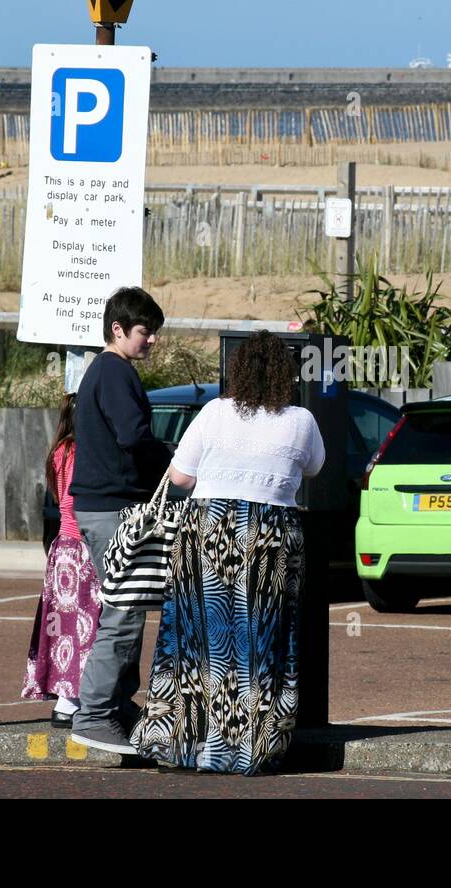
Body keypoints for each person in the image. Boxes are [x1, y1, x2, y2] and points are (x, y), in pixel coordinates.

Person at [132, 331, 325, 774]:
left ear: (237, 371)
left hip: (209, 529)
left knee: (197, 637)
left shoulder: (214, 412)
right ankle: (248, 748)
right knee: (261, 641)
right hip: (270, 534)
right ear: (286, 373)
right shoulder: (301, 419)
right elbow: (315, 467)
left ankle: (184, 743)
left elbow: (179, 477)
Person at [68, 287, 172, 754]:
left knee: (127, 609)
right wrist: (172, 462)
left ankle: (117, 706)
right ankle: (94, 715)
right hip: (112, 509)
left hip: (105, 506)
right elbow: (134, 436)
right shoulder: (113, 372)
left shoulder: (106, 371)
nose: (151, 341)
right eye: (145, 332)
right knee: (124, 613)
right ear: (118, 329)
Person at [22, 394, 102, 728]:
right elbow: (74, 503)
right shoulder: (79, 451)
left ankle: (67, 697)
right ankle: (73, 698)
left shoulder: (60, 450)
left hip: (63, 549)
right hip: (79, 549)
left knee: (64, 626)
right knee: (85, 624)